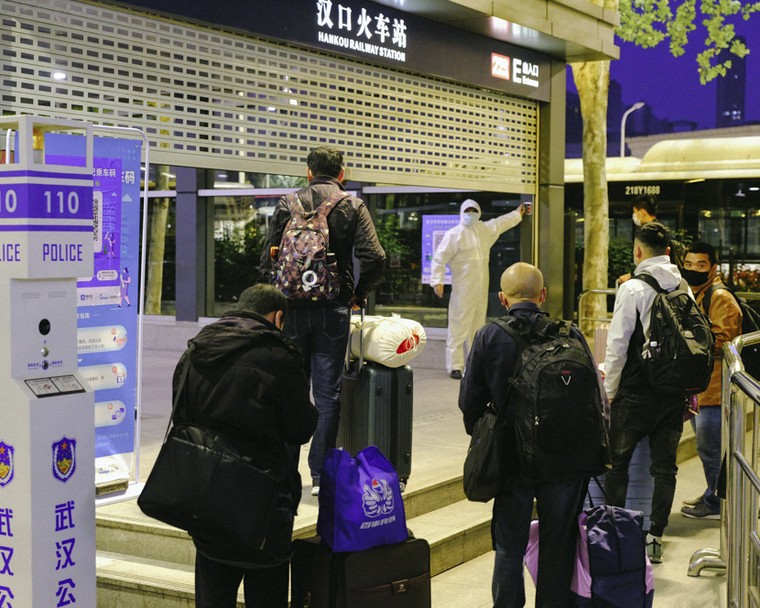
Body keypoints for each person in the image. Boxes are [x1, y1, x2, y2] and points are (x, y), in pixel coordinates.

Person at [171, 284, 317, 608]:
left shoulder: (196, 350)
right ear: (278, 317)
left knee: (212, 595)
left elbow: (180, 415)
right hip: (263, 503)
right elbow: (300, 429)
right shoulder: (280, 355)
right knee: (267, 594)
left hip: (206, 499)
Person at [459, 262, 589, 608]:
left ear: (503, 299)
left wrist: (486, 434)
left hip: (511, 458)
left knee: (508, 547)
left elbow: (469, 401)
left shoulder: (490, 335)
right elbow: (592, 399)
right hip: (564, 460)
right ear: (542, 295)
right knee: (558, 546)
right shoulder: (569, 333)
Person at [259, 145, 386, 496]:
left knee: (290, 390)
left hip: (290, 312)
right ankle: (320, 474)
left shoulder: (287, 204)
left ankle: (285, 469)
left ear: (309, 173)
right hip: (333, 309)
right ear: (342, 173)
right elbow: (374, 257)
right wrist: (359, 293)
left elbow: (266, 258)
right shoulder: (351, 204)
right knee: (328, 396)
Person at [603, 221, 687, 563]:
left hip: (637, 391)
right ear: (667, 251)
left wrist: (610, 390)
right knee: (665, 469)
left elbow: (618, 344)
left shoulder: (634, 288)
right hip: (672, 392)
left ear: (638, 251)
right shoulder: (683, 284)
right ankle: (656, 537)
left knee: (616, 464)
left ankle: (615, 534)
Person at [680, 242, 742, 519]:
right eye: (689, 264)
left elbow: (723, 341)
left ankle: (718, 502)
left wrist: (687, 341)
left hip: (716, 389)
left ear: (713, 268)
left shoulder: (720, 298)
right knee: (707, 447)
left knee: (711, 447)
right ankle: (712, 493)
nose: (693, 270)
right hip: (700, 388)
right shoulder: (695, 293)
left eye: (700, 265)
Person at [430, 199, 524, 379]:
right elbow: (438, 258)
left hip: (481, 289)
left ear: (479, 213)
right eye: (468, 211)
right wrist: (437, 281)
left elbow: (501, 223)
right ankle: (455, 366)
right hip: (462, 289)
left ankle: (474, 365)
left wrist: (517, 214)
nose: (470, 214)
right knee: (458, 327)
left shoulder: (484, 230)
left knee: (478, 328)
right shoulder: (454, 234)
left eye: (474, 211)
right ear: (461, 212)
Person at [618, 195, 684, 284]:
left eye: (635, 212)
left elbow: (650, 261)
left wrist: (633, 276)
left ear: (642, 212)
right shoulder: (661, 230)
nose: (633, 216)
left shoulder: (650, 234)